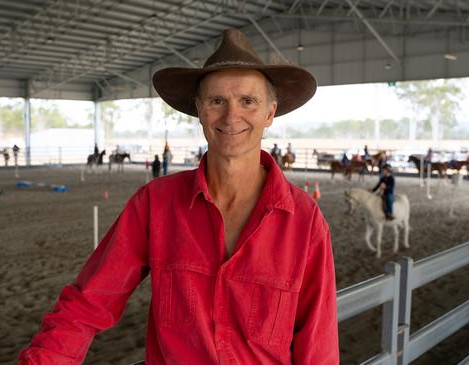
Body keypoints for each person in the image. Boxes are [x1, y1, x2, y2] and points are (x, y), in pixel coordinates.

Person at [19, 28, 338, 365]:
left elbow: (318, 344)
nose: (232, 116)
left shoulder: (304, 220)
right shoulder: (155, 204)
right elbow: (88, 302)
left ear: (269, 113)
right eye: (217, 101)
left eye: (248, 101)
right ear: (199, 110)